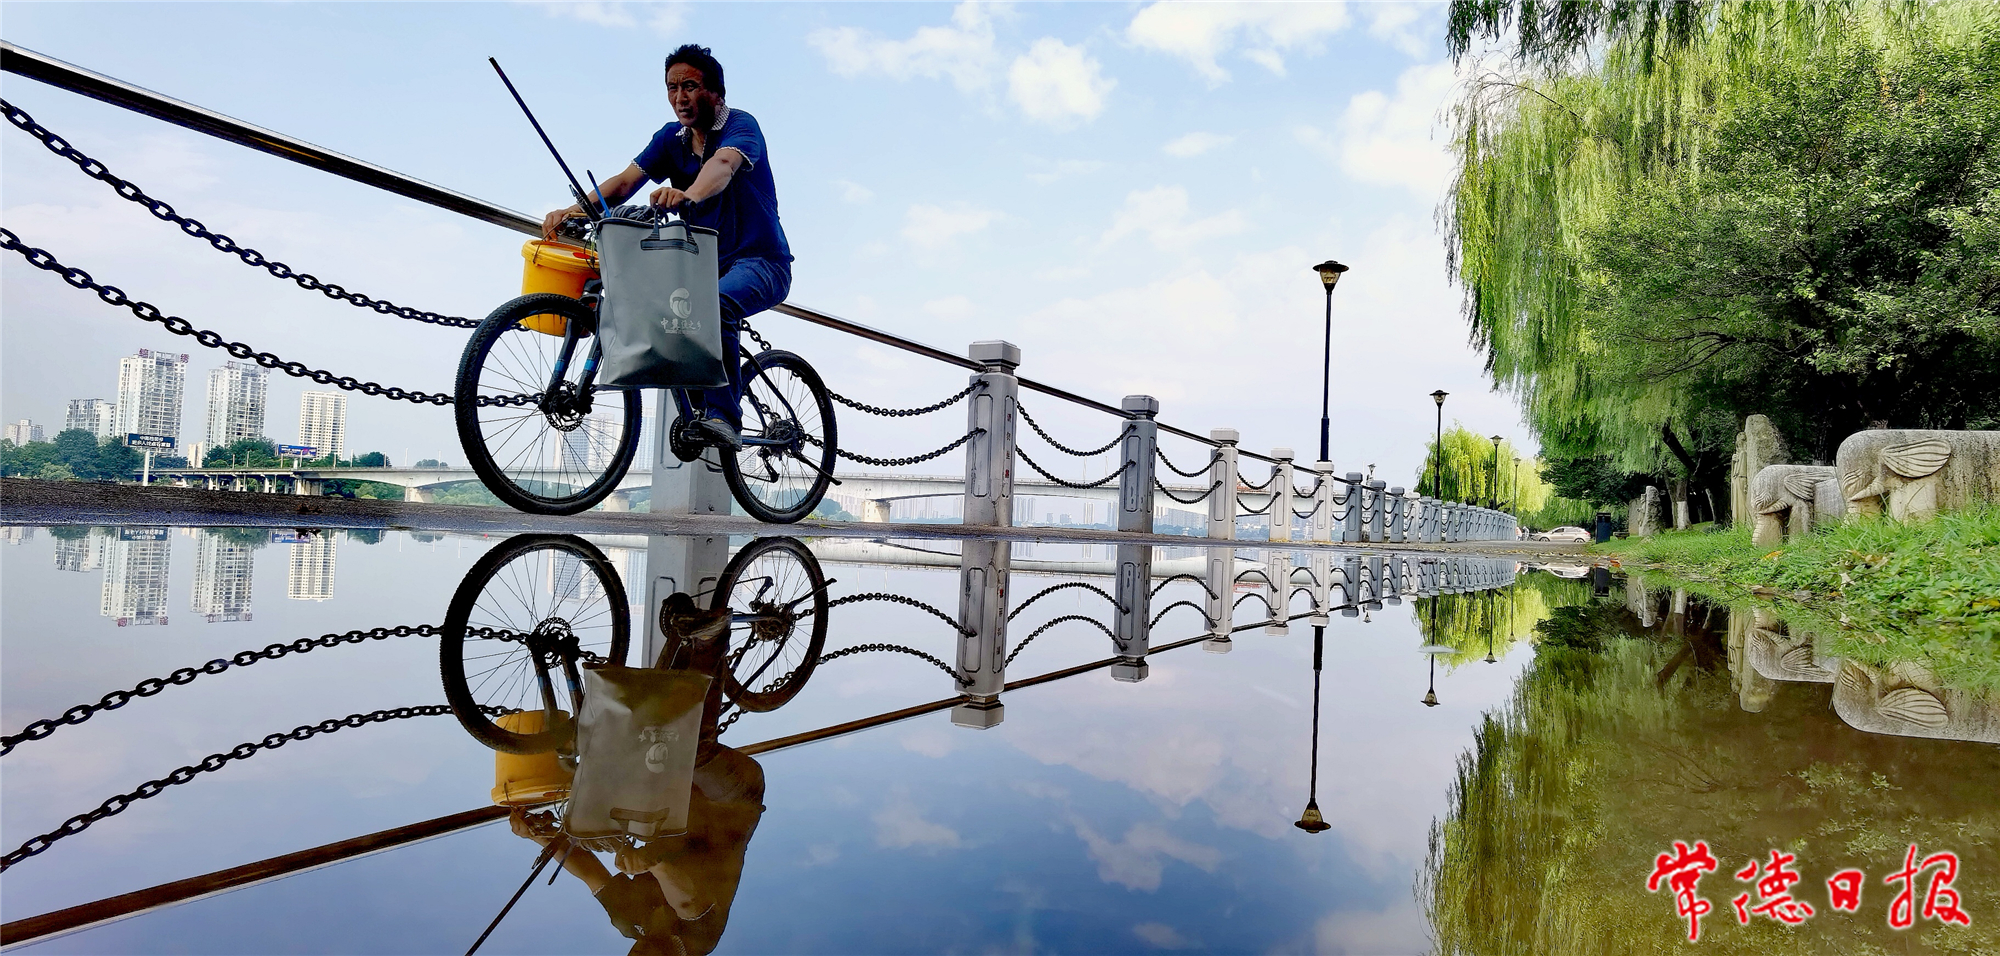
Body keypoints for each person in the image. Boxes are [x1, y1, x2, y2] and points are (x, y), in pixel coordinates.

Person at [542, 43, 793, 453]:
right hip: (699, 269)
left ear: (716, 92)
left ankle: (723, 419)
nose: (680, 97)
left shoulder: (741, 127)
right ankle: (699, 413)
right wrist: (574, 211)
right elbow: (624, 183)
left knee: (716, 306)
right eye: (672, 87)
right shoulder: (671, 139)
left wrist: (689, 195)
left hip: (761, 262)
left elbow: (723, 166)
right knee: (667, 318)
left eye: (690, 86)